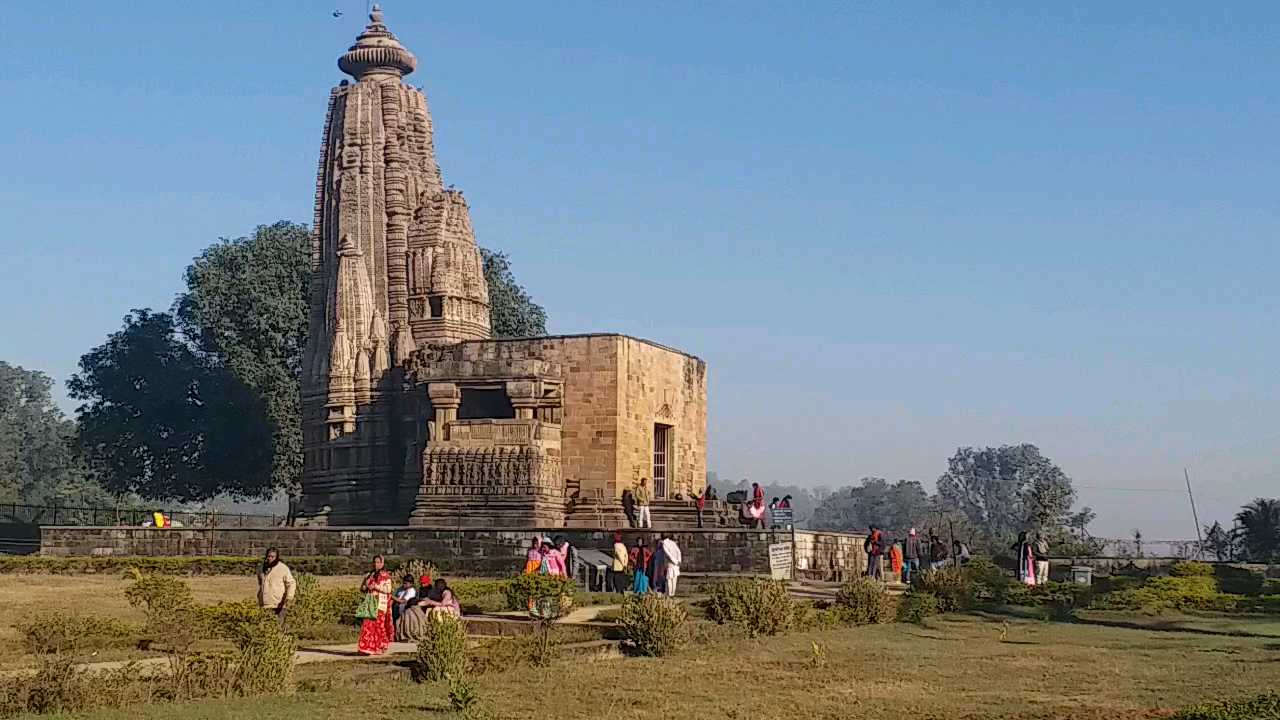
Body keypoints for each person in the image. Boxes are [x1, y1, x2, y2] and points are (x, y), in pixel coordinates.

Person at [357, 555, 395, 655]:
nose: (376, 564)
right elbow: (363, 588)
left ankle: (380, 646)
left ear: (382, 563)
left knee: (379, 626)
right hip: (370, 603)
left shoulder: (385, 576)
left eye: (378, 562)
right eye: (374, 562)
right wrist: (366, 586)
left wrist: (376, 587)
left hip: (380, 604)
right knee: (368, 625)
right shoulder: (370, 575)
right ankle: (367, 648)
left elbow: (388, 589)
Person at [256, 547, 296, 627]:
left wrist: (289, 597)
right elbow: (260, 582)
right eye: (268, 556)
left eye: (272, 556)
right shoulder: (261, 567)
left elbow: (291, 583)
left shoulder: (283, 568)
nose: (270, 558)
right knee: (265, 628)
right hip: (264, 604)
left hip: (279, 604)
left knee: (279, 628)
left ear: (277, 557)